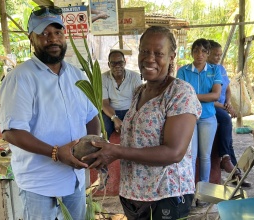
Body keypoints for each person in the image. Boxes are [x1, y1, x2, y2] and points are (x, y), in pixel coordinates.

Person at [83, 26, 202, 220]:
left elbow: (174, 152)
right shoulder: (139, 91)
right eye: (145, 51)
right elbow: (137, 143)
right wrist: (107, 153)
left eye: (158, 53)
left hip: (165, 195)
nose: (150, 58)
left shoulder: (180, 93)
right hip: (134, 194)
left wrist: (116, 151)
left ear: (171, 57)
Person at [0, 5, 100, 220]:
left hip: (75, 178)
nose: (52, 39)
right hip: (39, 182)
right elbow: (12, 132)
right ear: (31, 39)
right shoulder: (21, 78)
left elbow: (91, 116)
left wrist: (93, 144)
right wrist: (55, 152)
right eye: (44, 34)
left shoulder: (76, 74)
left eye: (57, 32)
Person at [177, 38, 222, 206]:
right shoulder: (183, 71)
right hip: (189, 118)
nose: (200, 54)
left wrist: (192, 96)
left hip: (208, 118)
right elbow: (180, 95)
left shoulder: (215, 70)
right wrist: (203, 97)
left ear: (208, 53)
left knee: (205, 156)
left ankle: (202, 194)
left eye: (203, 51)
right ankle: (189, 193)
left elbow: (216, 95)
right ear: (192, 53)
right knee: (191, 156)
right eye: (196, 51)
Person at [207, 40, 251, 187]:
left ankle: (233, 170)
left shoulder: (221, 69)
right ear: (207, 54)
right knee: (226, 120)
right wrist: (225, 107)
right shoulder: (205, 71)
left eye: (219, 55)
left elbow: (227, 89)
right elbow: (206, 98)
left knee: (228, 140)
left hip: (223, 105)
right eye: (215, 55)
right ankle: (229, 165)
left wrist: (228, 103)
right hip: (211, 106)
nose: (218, 57)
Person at [102, 50, 142, 139]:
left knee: (136, 131)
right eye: (113, 63)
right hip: (110, 112)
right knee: (105, 129)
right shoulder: (103, 78)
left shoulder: (135, 77)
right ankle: (107, 150)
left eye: (120, 62)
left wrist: (130, 117)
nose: (117, 66)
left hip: (130, 111)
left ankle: (133, 151)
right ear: (109, 65)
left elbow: (139, 100)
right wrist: (114, 118)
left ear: (125, 63)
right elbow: (104, 104)